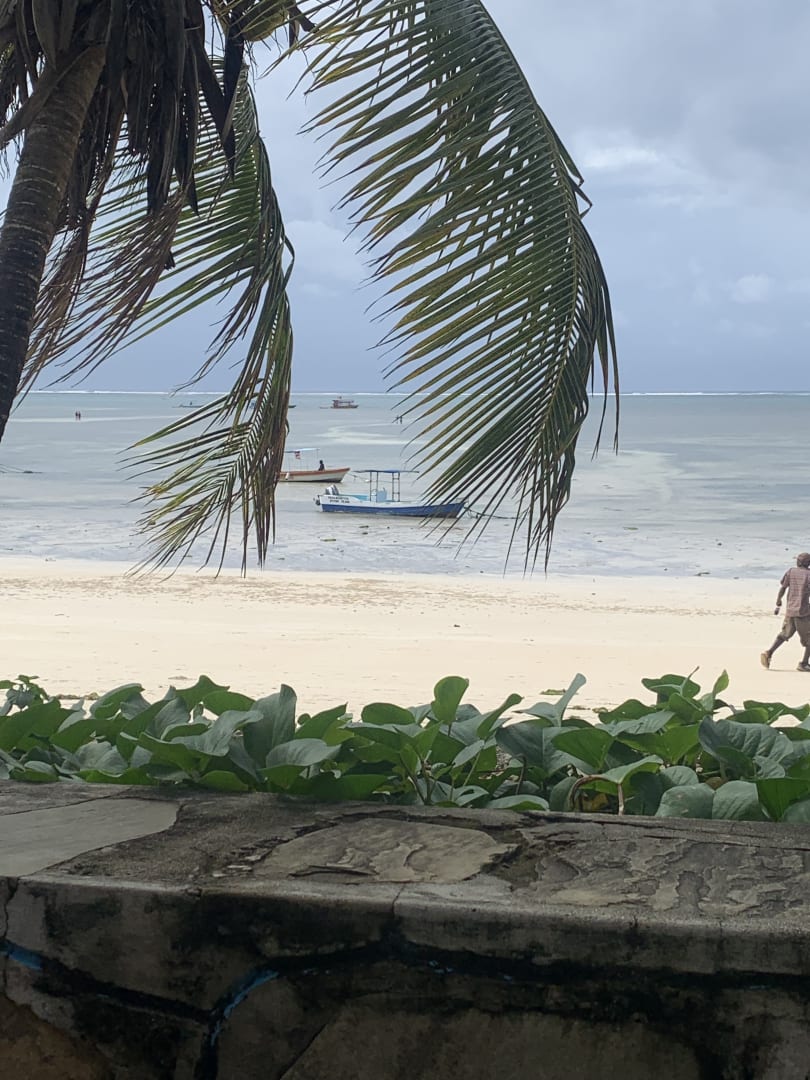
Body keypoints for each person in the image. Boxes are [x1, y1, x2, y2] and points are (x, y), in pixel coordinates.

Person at [761, 553, 810, 671]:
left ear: (798, 562)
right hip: (803, 612)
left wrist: (778, 601)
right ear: (808, 563)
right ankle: (803, 664)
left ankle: (769, 653)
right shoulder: (809, 574)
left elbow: (783, 587)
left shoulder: (791, 572)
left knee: (784, 634)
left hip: (790, 610)